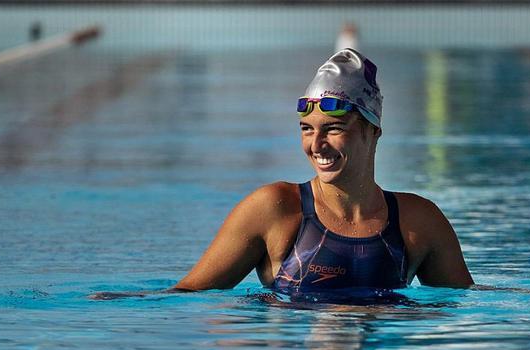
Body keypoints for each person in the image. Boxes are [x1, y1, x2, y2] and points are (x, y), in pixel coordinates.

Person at [174, 49, 473, 296]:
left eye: (333, 129)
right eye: (307, 129)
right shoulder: (275, 209)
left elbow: (463, 305)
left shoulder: (419, 221)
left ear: (373, 131)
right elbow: (186, 296)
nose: (316, 145)